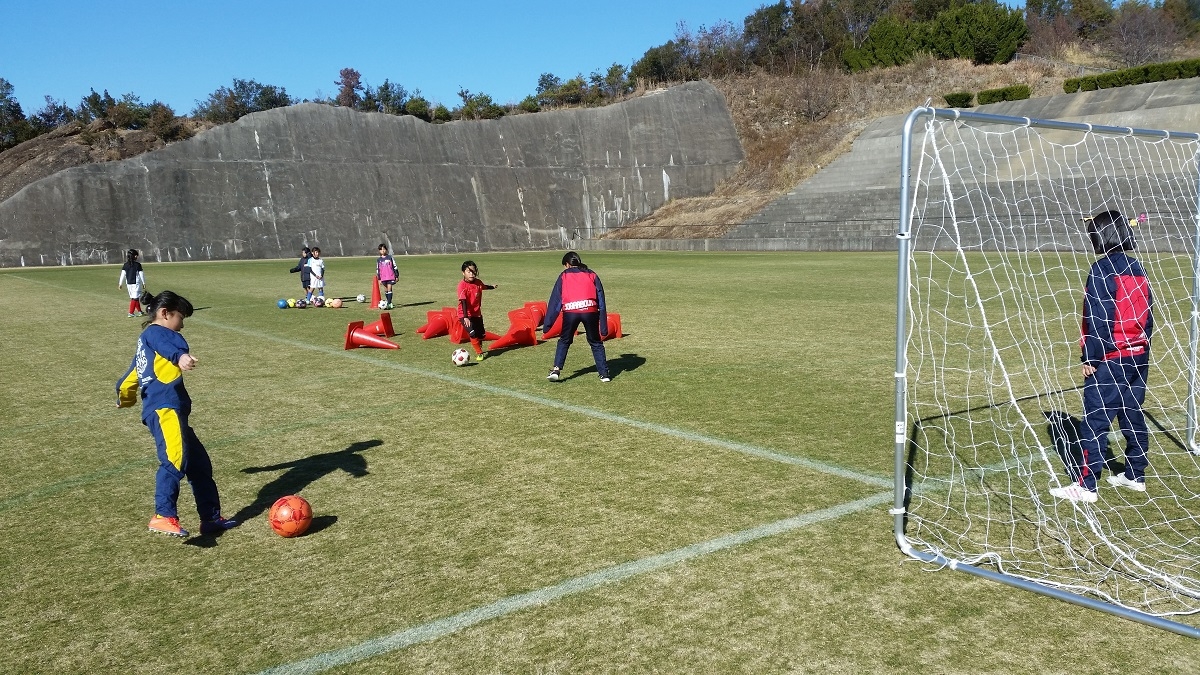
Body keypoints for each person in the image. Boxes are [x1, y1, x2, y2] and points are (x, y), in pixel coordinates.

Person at [1050, 210, 1154, 504]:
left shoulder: (1101, 270)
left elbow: (1098, 319)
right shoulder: (1138, 268)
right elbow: (1149, 316)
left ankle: (1086, 486)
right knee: (1131, 412)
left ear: (1100, 236)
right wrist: (1143, 346)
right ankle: (1135, 474)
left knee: (1094, 420)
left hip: (1110, 358)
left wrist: (1091, 358)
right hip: (1138, 356)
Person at [116, 290, 238, 537]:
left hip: (169, 411)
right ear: (164, 314)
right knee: (174, 459)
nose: (181, 325)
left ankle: (210, 518)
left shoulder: (146, 345)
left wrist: (125, 399)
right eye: (180, 317)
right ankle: (163, 515)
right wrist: (180, 355)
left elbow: (129, 378)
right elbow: (167, 343)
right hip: (165, 409)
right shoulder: (157, 333)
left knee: (199, 464)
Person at [543, 251, 610, 382]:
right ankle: (604, 374)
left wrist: (548, 324)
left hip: (570, 312)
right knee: (596, 342)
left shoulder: (564, 276)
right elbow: (601, 298)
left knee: (564, 341)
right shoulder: (592, 274)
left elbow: (555, 301)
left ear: (567, 264)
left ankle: (556, 369)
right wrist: (603, 326)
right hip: (590, 311)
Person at [456, 260, 497, 361]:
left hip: (477, 313)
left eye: (473, 272)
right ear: (463, 273)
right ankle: (479, 353)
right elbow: (463, 301)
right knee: (472, 333)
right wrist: (465, 317)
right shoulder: (462, 285)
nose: (471, 274)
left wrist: (492, 286)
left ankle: (479, 347)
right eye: (468, 272)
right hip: (464, 313)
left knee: (481, 335)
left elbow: (484, 287)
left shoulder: (478, 283)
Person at [118, 249, 146, 317]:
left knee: (134, 297)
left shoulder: (125, 265)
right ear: (134, 256)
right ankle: (131, 312)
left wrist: (120, 283)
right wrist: (144, 282)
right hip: (136, 283)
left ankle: (140, 311)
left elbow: (122, 274)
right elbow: (141, 274)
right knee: (135, 298)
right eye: (136, 255)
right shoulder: (138, 265)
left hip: (128, 283)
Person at [377, 244, 399, 310]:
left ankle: (389, 303)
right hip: (383, 277)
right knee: (386, 290)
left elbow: (395, 266)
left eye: (384, 249)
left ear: (386, 250)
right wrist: (379, 278)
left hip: (390, 276)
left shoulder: (390, 257)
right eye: (381, 249)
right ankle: (388, 302)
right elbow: (378, 269)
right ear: (379, 251)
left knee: (389, 289)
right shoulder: (379, 260)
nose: (383, 251)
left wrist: (397, 275)